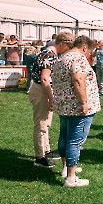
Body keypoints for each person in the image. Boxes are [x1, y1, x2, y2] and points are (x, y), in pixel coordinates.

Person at [53, 36, 100, 187]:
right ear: (85, 48)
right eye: (89, 52)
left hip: (64, 106)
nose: (89, 55)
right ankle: (71, 178)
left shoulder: (62, 58)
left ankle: (66, 168)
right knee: (75, 141)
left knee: (64, 138)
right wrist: (84, 102)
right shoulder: (78, 59)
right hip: (77, 107)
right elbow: (78, 79)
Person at [29, 32, 75, 168]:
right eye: (68, 46)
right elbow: (44, 79)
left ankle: (46, 150)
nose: (68, 50)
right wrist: (50, 98)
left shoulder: (50, 54)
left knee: (46, 124)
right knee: (41, 125)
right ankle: (39, 157)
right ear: (62, 43)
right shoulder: (49, 55)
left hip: (43, 90)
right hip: (41, 91)